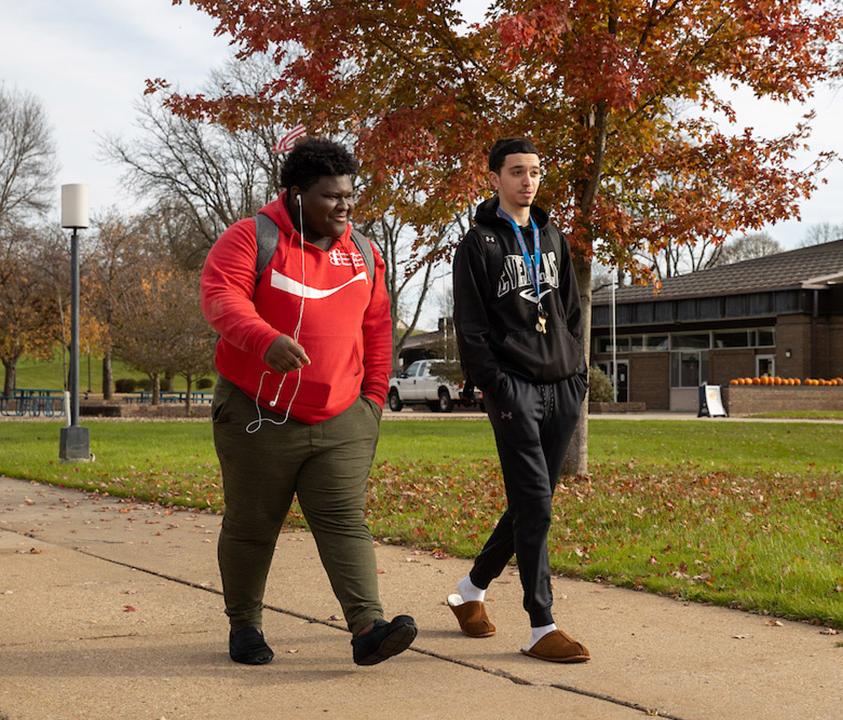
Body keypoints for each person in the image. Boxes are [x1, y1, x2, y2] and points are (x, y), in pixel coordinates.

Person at [200, 137, 416, 667]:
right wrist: (263, 339)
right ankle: (244, 626)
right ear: (295, 194)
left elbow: (378, 328)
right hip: (257, 413)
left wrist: (371, 401)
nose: (344, 206)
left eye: (349, 195)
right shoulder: (250, 238)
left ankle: (368, 627)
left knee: (344, 519)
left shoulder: (363, 252)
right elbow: (219, 296)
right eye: (330, 197)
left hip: (343, 416)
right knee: (253, 524)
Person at [448, 137, 591, 663]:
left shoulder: (553, 235)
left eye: (534, 171)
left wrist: (575, 372)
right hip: (514, 391)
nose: (527, 181)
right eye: (516, 171)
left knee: (535, 502)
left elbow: (572, 311)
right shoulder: (477, 244)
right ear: (495, 177)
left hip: (563, 387)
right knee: (535, 503)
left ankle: (469, 591)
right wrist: (499, 386)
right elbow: (471, 328)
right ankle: (541, 625)